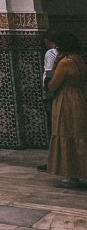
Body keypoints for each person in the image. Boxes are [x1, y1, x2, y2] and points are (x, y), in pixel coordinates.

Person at [46, 32, 87, 188]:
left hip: (65, 100)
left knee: (66, 132)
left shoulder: (65, 62)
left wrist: (53, 67)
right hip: (78, 97)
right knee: (79, 133)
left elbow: (53, 85)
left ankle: (71, 174)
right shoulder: (79, 59)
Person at [43, 32, 59, 139]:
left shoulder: (51, 52)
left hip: (54, 91)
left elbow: (49, 73)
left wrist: (47, 89)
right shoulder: (75, 56)